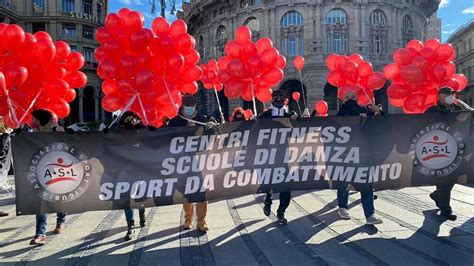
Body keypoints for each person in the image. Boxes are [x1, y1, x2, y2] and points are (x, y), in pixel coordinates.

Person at [168, 95, 216, 232]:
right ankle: (188, 219)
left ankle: (202, 221)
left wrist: (212, 126)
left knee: (201, 193)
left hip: (200, 162)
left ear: (195, 107)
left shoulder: (202, 119)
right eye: (187, 106)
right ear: (182, 107)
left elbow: (214, 131)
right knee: (186, 192)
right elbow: (166, 138)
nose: (189, 108)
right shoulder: (175, 121)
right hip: (182, 162)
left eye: (192, 106)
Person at [336, 91, 383, 225]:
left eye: (353, 96)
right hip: (345, 154)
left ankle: (370, 214)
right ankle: (343, 207)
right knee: (343, 181)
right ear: (343, 99)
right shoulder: (341, 112)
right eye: (348, 97)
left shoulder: (365, 110)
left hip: (363, 153)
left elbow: (380, 125)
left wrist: (378, 112)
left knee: (366, 184)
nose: (351, 99)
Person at [29, 109, 67, 245]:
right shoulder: (33, 134)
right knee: (40, 201)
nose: (31, 122)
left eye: (33, 119)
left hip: (59, 171)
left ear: (39, 120)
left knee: (59, 198)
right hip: (41, 172)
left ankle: (61, 220)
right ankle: (40, 233)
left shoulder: (57, 130)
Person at [260, 90, 298, 225]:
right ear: (272, 99)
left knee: (286, 188)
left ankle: (281, 212)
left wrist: (301, 119)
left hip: (285, 156)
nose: (279, 99)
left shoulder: (290, 115)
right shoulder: (265, 115)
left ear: (286, 100)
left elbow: (299, 133)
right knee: (268, 183)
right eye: (277, 97)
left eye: (282, 97)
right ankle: (268, 200)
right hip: (269, 156)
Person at [424, 87, 462, 221]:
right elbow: (424, 127)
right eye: (447, 94)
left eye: (452, 94)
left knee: (456, 175)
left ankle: (437, 195)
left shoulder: (456, 109)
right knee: (445, 177)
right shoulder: (432, 111)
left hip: (456, 148)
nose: (451, 96)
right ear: (440, 96)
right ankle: (446, 209)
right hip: (439, 150)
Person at [118, 112, 147, 241]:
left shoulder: (141, 129)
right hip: (125, 168)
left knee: (140, 195)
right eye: (128, 120)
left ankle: (142, 212)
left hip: (140, 168)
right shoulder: (120, 131)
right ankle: (130, 225)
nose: (131, 122)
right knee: (125, 197)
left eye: (132, 119)